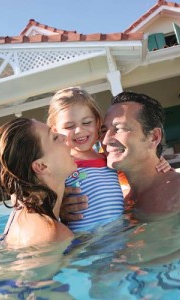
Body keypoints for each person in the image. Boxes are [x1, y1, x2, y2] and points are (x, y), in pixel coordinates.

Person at [61, 91, 180, 219]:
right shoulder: (119, 201)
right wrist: (60, 211)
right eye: (103, 131)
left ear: (153, 137)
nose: (106, 139)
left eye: (120, 128)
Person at [47, 87, 170, 231]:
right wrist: (59, 207)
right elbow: (37, 198)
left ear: (97, 122)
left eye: (86, 122)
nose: (79, 130)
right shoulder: (60, 163)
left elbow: (135, 174)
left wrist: (161, 163)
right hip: (84, 241)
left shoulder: (108, 159)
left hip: (120, 235)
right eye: (69, 126)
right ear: (55, 130)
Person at [0, 117, 76, 248]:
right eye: (54, 138)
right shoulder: (51, 234)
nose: (64, 136)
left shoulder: (20, 207)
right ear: (41, 166)